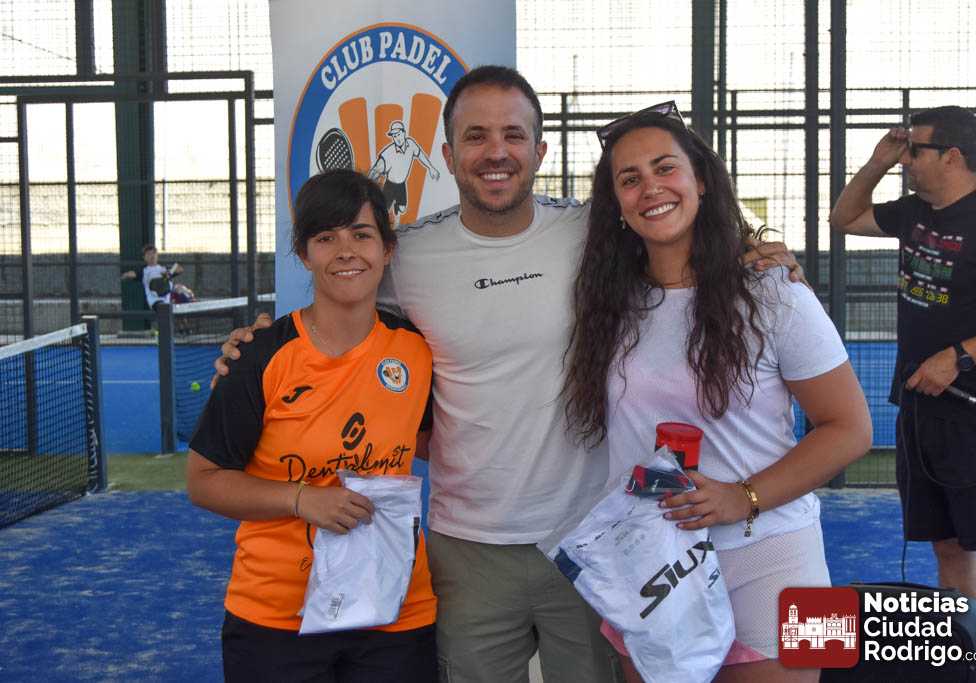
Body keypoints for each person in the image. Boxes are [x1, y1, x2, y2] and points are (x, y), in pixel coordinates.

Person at [217, 66, 805, 683]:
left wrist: (755, 250)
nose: (496, 152)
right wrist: (255, 343)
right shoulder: (407, 254)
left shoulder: (596, 233)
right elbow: (335, 295)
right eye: (476, 136)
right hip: (468, 548)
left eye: (513, 135)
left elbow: (677, 234)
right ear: (448, 156)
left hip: (594, 537)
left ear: (540, 151)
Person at [561, 103, 872, 682]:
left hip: (782, 554)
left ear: (701, 180)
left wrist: (742, 497)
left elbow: (852, 430)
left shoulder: (776, 289)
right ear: (617, 205)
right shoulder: (608, 303)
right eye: (630, 179)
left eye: (665, 168)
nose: (650, 188)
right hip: (651, 566)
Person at [187, 168, 437, 682]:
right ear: (304, 255)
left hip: (395, 610)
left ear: (387, 249)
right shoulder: (260, 356)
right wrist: (302, 499)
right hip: (279, 618)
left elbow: (431, 442)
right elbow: (204, 481)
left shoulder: (417, 350)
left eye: (361, 235)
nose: (346, 251)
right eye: (326, 238)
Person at [830, 105, 976, 668]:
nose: (907, 161)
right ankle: (974, 672)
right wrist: (876, 161)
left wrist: (959, 357)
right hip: (919, 405)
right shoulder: (915, 211)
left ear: (953, 157)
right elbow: (844, 218)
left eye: (915, 150)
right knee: (948, 546)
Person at [368, 120, 442, 217]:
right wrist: (367, 186)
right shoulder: (387, 153)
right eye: (394, 136)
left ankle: (397, 206)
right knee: (384, 212)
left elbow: (420, 154)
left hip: (401, 184)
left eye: (398, 134)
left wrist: (431, 168)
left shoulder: (411, 144)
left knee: (402, 209)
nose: (397, 138)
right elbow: (376, 170)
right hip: (390, 186)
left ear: (404, 133)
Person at [120, 244, 187, 309]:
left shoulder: (164, 268)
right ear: (144, 257)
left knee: (183, 293)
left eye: (154, 253)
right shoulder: (144, 271)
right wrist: (126, 275)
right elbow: (133, 274)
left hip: (169, 298)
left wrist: (169, 273)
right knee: (164, 308)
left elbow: (179, 269)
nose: (152, 256)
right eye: (149, 254)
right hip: (156, 301)